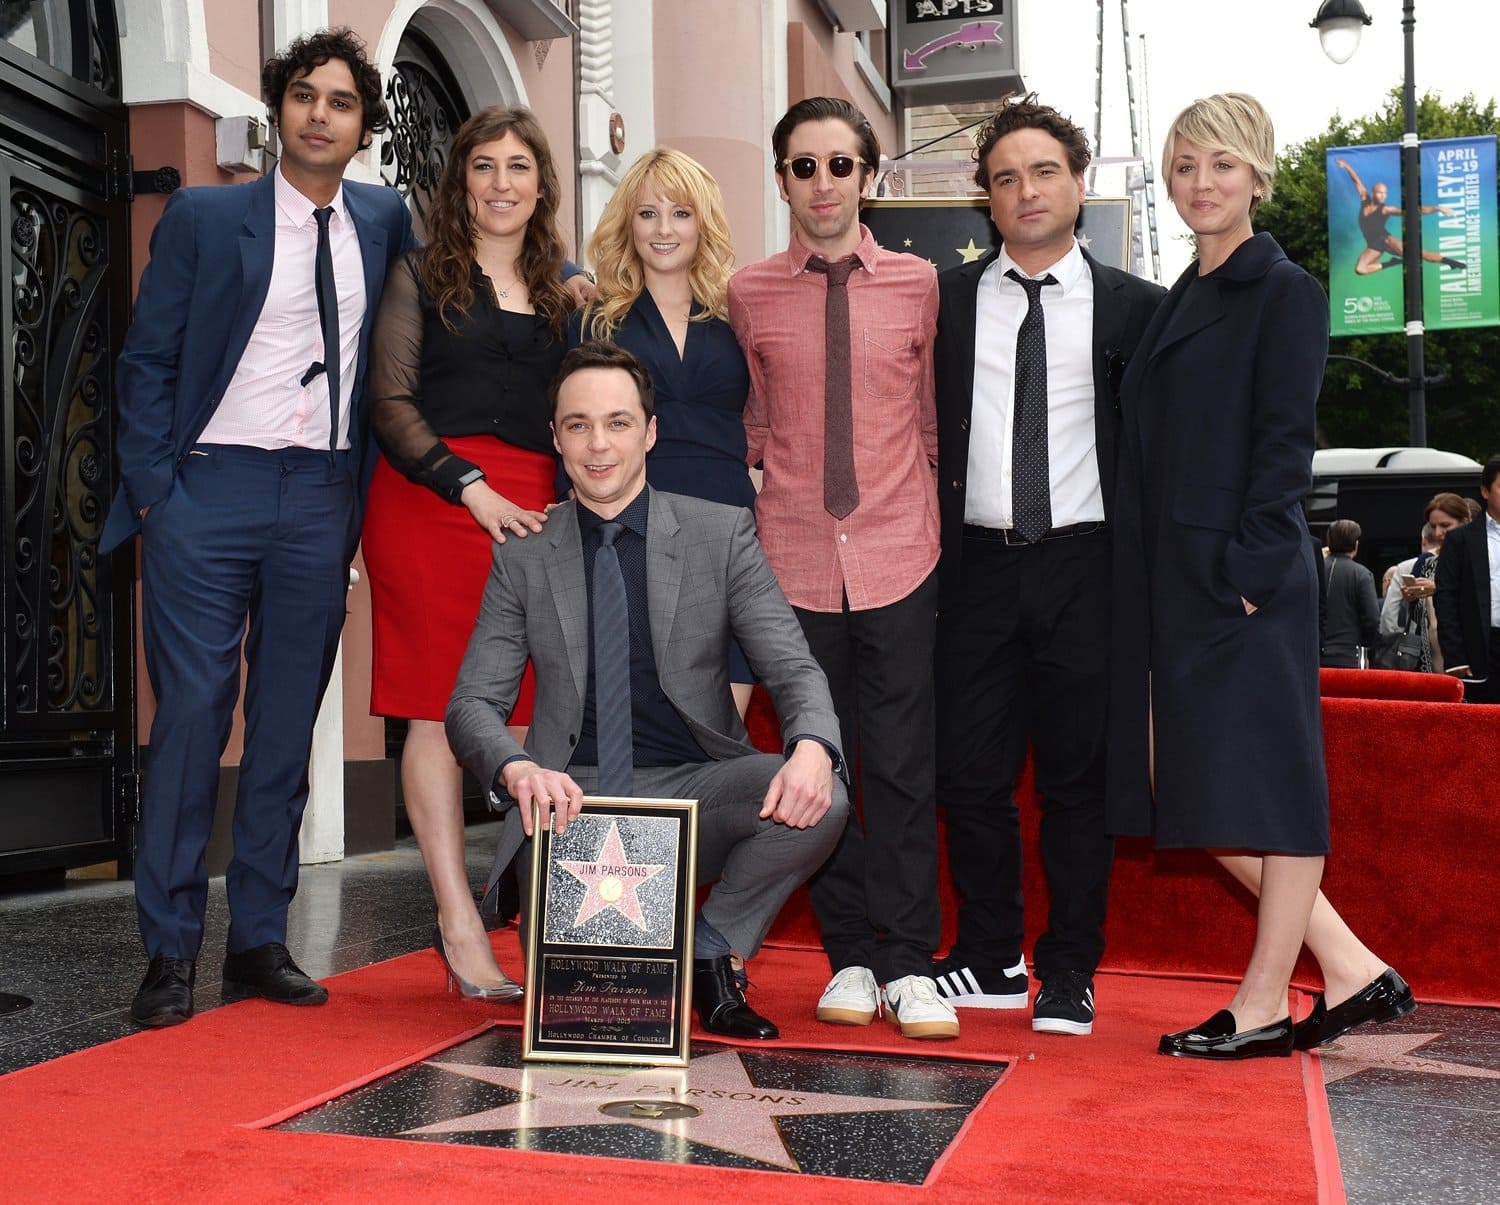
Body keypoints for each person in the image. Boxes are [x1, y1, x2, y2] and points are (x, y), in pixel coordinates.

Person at [101, 29, 415, 1028]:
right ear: (279, 111)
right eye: (306, 96)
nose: (322, 113)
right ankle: (168, 950)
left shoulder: (384, 219)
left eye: (343, 102)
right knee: (195, 714)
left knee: (286, 722)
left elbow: (468, 277)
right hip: (209, 491)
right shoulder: (206, 215)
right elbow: (146, 360)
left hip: (321, 498)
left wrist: (574, 275)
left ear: (365, 127)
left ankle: (259, 940)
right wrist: (159, 496)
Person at [1109, 94, 1414, 1061]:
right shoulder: (1180, 298)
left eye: (1223, 165)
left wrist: (1243, 575)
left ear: (1259, 175)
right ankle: (1352, 964)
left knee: (1270, 788)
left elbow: (1286, 446)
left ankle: (1266, 996)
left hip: (1243, 579)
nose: (1202, 183)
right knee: (1181, 780)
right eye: (1186, 164)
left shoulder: (1285, 291)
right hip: (1175, 579)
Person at [445, 341, 849, 1039]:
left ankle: (709, 950)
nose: (598, 444)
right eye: (577, 424)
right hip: (567, 803)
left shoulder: (719, 533)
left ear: (651, 431)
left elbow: (792, 665)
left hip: (694, 789)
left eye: (618, 422)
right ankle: (643, 950)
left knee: (825, 796)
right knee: (593, 1019)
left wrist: (813, 743)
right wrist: (518, 769)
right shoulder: (525, 553)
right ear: (555, 436)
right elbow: (470, 705)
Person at [931, 95, 1163, 1036]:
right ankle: (990, 953)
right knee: (968, 775)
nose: (1025, 190)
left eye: (1044, 172)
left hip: (1090, 570)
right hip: (974, 569)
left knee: (1079, 781)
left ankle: (1070, 966)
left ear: (1079, 183)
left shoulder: (1141, 309)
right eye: (1005, 178)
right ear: (986, 199)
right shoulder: (940, 303)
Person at [729, 97, 955, 1040]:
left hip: (903, 553)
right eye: (803, 166)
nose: (822, 183)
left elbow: (933, 421)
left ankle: (907, 964)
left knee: (903, 766)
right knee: (818, 768)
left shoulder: (920, 285)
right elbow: (749, 420)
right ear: (783, 180)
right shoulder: (747, 293)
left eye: (839, 164)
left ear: (870, 177)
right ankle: (850, 958)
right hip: (792, 564)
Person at [361, 107, 578, 1000]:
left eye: (517, 166)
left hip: (537, 510)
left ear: (540, 184)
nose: (500, 182)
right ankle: (458, 922)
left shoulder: (567, 290)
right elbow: (391, 401)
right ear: (460, 183)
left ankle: (528, 907)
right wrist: (469, 485)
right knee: (434, 713)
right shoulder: (419, 274)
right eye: (482, 166)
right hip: (430, 500)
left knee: (529, 716)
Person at [570, 147, 756, 714]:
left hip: (730, 520)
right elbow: (572, 427)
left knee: (724, 716)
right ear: (629, 222)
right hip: (630, 519)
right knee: (638, 708)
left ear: (704, 222)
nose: (664, 229)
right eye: (648, 213)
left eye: (680, 212)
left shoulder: (739, 312)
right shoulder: (596, 318)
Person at [1436, 455, 1500, 702]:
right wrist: (1455, 657)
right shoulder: (1461, 540)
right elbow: (1446, 598)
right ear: (1485, 491)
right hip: (1480, 648)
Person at [1331, 157, 1463, 275]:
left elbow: (1413, 211)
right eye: (1380, 193)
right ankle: (1391, 263)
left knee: (1420, 254)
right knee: (1360, 269)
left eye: (1385, 193)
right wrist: (1347, 166)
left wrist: (1436, 208)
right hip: (1373, 246)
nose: (1383, 196)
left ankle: (1452, 263)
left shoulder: (1386, 209)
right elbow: (1356, 181)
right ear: (1373, 192)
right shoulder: (1365, 198)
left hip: (1387, 240)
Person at [1320, 519, 1380, 668]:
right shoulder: (1362, 574)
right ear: (1356, 544)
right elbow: (1372, 618)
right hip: (1348, 655)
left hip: (1314, 652)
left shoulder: (1315, 570)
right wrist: (1367, 645)